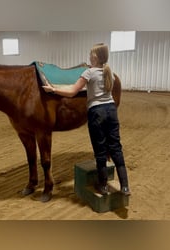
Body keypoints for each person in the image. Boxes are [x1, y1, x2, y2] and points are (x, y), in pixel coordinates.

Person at [42, 43, 131, 196]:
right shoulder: (109, 73)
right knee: (116, 147)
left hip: (97, 112)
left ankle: (103, 185)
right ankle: (125, 186)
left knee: (100, 150)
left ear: (95, 57)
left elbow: (71, 91)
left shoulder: (89, 73)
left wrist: (53, 90)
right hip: (111, 111)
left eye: (91, 54)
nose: (89, 56)